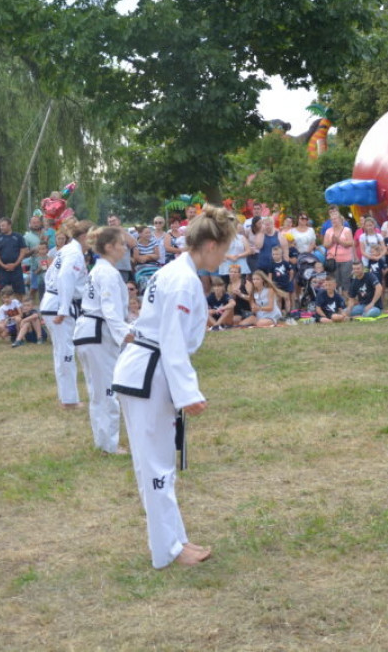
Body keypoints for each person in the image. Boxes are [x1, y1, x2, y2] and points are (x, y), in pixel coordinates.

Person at [110, 205, 235, 568]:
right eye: (225, 248)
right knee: (155, 466)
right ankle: (167, 549)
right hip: (150, 373)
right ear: (211, 244)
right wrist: (188, 392)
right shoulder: (182, 279)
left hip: (148, 369)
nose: (226, 256)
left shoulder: (179, 272)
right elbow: (172, 339)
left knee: (159, 463)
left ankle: (175, 539)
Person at [73, 226, 132, 455]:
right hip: (98, 333)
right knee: (107, 391)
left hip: (90, 332)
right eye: (122, 244)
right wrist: (125, 334)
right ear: (109, 247)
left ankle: (104, 441)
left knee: (98, 391)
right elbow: (109, 308)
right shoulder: (106, 272)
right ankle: (109, 444)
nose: (125, 248)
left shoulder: (100, 269)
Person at [41, 220, 94, 408]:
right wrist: (63, 309)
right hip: (59, 305)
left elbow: (50, 274)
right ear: (84, 236)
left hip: (55, 301)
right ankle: (69, 400)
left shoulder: (68, 250)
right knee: (66, 352)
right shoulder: (73, 253)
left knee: (61, 351)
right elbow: (64, 277)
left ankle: (65, 396)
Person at [0, 217, 29, 297]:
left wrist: (15, 264)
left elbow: (23, 251)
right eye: (0, 226)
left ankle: (18, 308)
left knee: (19, 292)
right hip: (3, 270)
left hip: (16, 269)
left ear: (9, 225)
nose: (1, 227)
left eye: (3, 225)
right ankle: (6, 309)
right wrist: (3, 265)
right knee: (3, 292)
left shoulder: (18, 237)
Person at [322, 208, 354, 289]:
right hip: (332, 260)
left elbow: (350, 243)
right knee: (334, 282)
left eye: (335, 218)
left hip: (346, 260)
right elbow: (325, 245)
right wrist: (332, 242)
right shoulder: (328, 231)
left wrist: (339, 241)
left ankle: (346, 299)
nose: (334, 220)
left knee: (346, 281)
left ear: (340, 219)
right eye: (332, 219)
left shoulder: (347, 230)